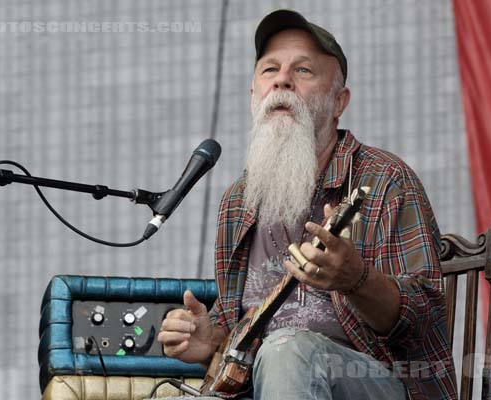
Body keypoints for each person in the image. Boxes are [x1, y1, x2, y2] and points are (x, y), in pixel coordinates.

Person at [158, 9, 457, 400]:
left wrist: (356, 280)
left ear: (339, 101)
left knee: (289, 350)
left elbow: (424, 319)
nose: (282, 79)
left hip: (381, 381)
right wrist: (209, 340)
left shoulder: (385, 180)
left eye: (303, 71)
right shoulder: (237, 201)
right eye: (270, 70)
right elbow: (238, 322)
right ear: (254, 95)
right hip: (262, 382)